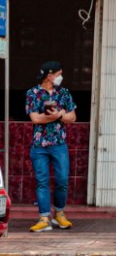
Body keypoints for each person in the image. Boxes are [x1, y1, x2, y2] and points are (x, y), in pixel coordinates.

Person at [25, 60, 77, 233]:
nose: (61, 77)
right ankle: (44, 218)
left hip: (59, 144)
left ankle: (59, 213)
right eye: (59, 74)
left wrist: (59, 115)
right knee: (42, 181)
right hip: (39, 145)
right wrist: (56, 116)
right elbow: (35, 119)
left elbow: (72, 117)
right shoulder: (32, 93)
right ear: (50, 75)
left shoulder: (64, 93)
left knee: (62, 180)